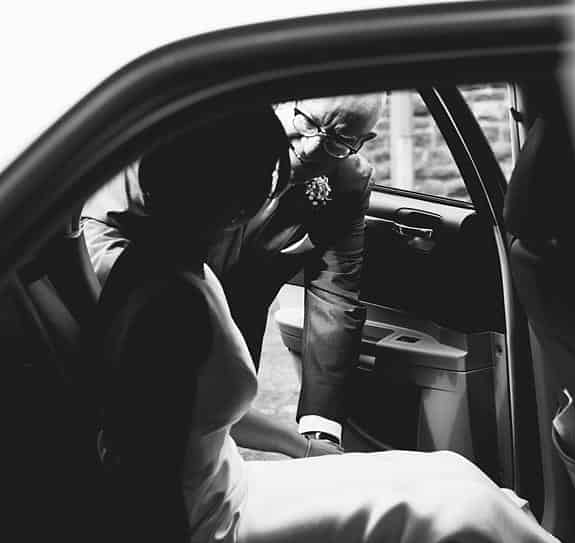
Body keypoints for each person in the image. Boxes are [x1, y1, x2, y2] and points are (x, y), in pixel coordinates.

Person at [91, 106, 575, 543]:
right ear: (230, 198)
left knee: (453, 474)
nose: (265, 194)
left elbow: (195, 414)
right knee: (468, 514)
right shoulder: (168, 304)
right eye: (260, 180)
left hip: (222, 493)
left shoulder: (166, 264)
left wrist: (307, 447)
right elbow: (145, 477)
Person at [83, 94, 384, 458]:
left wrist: (319, 435)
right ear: (286, 100)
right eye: (307, 122)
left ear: (361, 143)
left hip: (236, 345)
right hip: (137, 333)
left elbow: (334, 297)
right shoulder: (195, 137)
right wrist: (157, 307)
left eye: (338, 139)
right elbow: (99, 229)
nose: (312, 146)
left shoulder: (347, 184)